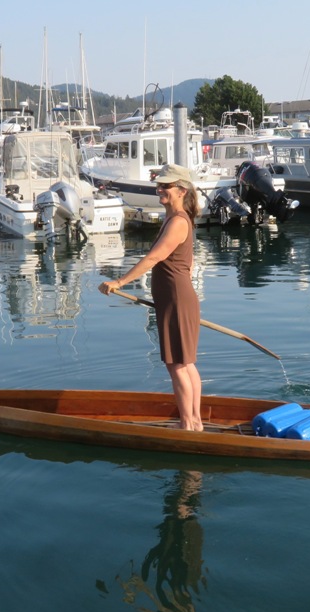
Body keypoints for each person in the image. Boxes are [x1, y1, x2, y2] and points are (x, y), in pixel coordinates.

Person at [99, 163, 203, 431]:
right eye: (159, 184)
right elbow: (186, 265)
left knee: (178, 366)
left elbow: (154, 257)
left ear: (181, 190)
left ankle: (189, 425)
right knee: (184, 363)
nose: (160, 189)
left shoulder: (179, 221)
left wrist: (120, 281)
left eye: (165, 186)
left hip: (177, 299)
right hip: (174, 299)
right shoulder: (174, 218)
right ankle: (194, 423)